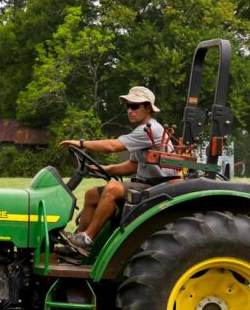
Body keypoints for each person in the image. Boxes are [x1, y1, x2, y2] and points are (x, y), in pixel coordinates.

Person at [58, 86, 174, 256]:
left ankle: (88, 238)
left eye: (134, 106)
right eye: (127, 106)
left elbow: (113, 146)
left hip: (157, 185)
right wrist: (104, 169)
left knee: (112, 188)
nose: (129, 110)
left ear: (148, 108)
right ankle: (77, 243)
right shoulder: (142, 131)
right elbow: (133, 166)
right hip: (144, 182)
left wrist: (80, 143)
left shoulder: (150, 129)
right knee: (91, 194)